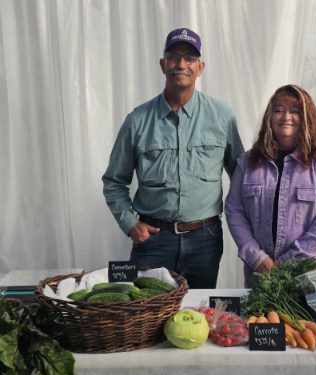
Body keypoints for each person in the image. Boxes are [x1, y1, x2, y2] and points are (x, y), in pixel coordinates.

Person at [102, 28, 244, 289]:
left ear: (200, 67)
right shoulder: (137, 121)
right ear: (162, 64)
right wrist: (130, 223)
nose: (181, 64)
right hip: (153, 240)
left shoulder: (222, 116)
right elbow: (113, 181)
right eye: (174, 57)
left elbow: (242, 174)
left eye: (189, 58)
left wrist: (240, 225)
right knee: (148, 322)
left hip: (205, 239)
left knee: (199, 318)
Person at [224, 84, 316, 288]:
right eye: (279, 110)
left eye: (295, 111)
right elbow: (234, 210)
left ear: (307, 117)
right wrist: (257, 258)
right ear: (270, 116)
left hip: (312, 277)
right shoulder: (247, 162)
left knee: (309, 322)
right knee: (262, 321)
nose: (286, 117)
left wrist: (288, 262)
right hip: (261, 277)